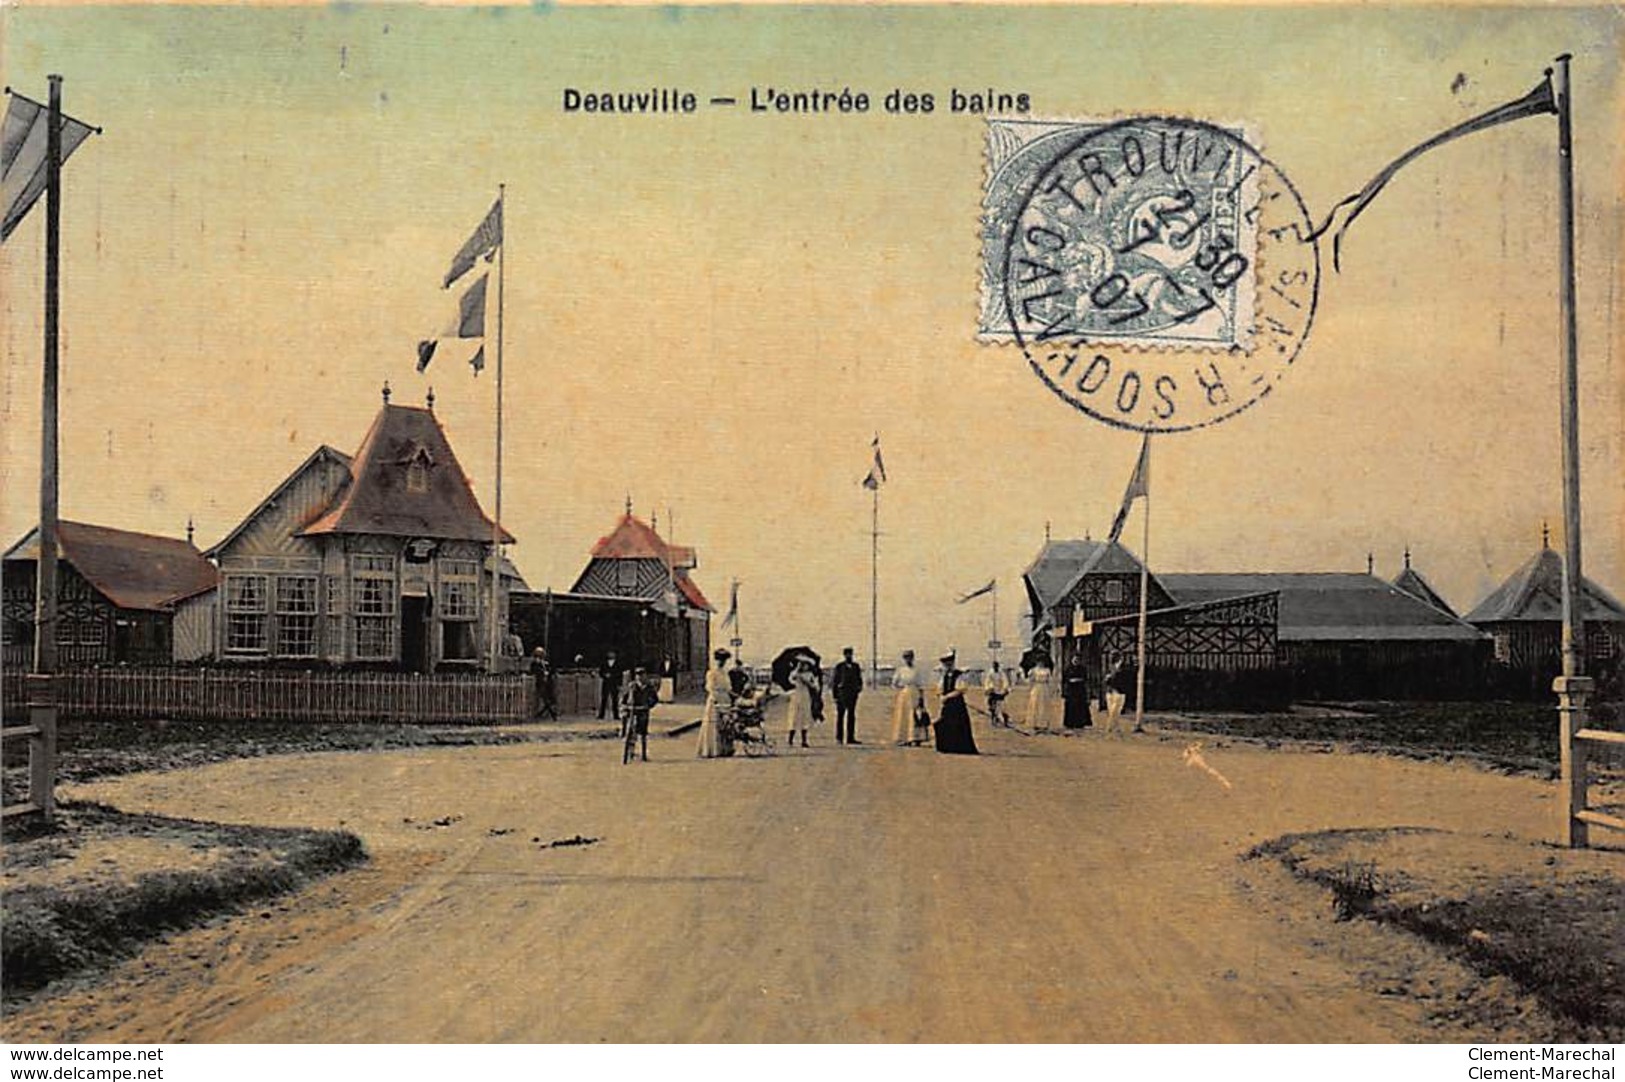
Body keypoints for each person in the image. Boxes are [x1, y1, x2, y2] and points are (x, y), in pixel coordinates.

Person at [932, 651, 979, 755]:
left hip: (957, 705)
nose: (947, 665)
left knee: (959, 725)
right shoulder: (943, 676)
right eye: (945, 664)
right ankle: (947, 747)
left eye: (949, 663)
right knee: (944, 724)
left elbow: (961, 689)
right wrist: (941, 696)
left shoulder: (959, 675)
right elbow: (939, 689)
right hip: (947, 705)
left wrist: (948, 696)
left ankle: (961, 747)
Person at [697, 648, 732, 759]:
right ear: (716, 660)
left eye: (724, 660)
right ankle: (712, 749)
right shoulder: (711, 673)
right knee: (714, 724)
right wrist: (718, 699)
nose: (721, 663)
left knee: (725, 725)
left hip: (725, 700)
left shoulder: (725, 673)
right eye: (720, 660)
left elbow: (728, 687)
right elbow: (711, 688)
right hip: (715, 700)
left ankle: (724, 749)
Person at [621, 666, 658, 763]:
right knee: (629, 729)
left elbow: (655, 699)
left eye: (642, 675)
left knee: (643, 732)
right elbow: (623, 698)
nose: (640, 678)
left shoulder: (649, 687)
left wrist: (649, 705)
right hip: (632, 711)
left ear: (645, 676)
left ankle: (644, 753)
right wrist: (624, 706)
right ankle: (629, 749)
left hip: (643, 711)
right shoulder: (631, 686)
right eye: (638, 676)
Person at [831, 646, 864, 745]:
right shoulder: (840, 667)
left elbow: (859, 679)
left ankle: (850, 738)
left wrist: (858, 688)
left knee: (851, 716)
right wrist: (835, 695)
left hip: (852, 694)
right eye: (847, 654)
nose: (849, 656)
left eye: (850, 654)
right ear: (844, 655)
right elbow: (835, 681)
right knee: (840, 716)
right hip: (841, 694)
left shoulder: (855, 666)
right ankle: (839, 738)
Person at [891, 649, 924, 746]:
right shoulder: (900, 670)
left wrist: (921, 698)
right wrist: (901, 688)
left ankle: (915, 737)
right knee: (903, 716)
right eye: (906, 658)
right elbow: (894, 683)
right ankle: (903, 738)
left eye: (910, 657)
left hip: (914, 693)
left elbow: (920, 685)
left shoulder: (917, 670)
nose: (908, 659)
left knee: (915, 715)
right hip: (904, 694)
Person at [785, 655, 816, 749]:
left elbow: (813, 685)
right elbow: (791, 680)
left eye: (806, 665)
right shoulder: (794, 673)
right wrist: (797, 671)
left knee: (805, 717)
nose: (804, 666)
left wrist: (806, 681)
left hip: (805, 696)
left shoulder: (810, 674)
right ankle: (790, 739)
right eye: (802, 664)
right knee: (793, 716)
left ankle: (804, 740)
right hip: (796, 695)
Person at [1062, 651, 1094, 729]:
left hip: (1080, 690)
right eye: (1075, 659)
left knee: (1080, 706)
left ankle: (1080, 722)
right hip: (1071, 690)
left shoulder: (1082, 669)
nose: (1076, 661)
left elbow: (1085, 679)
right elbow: (1065, 680)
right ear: (1072, 660)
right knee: (1071, 706)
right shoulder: (1068, 669)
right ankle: (1070, 723)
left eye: (1078, 659)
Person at [1027, 655, 1054, 733]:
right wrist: (1031, 688)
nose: (1040, 663)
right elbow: (1030, 680)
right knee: (1035, 704)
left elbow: (1050, 680)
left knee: (1044, 705)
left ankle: (1043, 724)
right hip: (1037, 687)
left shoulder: (1047, 670)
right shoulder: (1033, 670)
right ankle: (1035, 723)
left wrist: (1051, 690)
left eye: (1042, 662)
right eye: (1039, 662)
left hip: (1044, 688)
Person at [530, 647, 558, 720]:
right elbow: (533, 671)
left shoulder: (546, 663)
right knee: (545, 700)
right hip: (541, 684)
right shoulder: (534, 664)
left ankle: (541, 713)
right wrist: (542, 672)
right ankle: (552, 714)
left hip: (548, 683)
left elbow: (552, 670)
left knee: (552, 700)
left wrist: (548, 673)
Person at [597, 651, 624, 720]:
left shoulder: (618, 664)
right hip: (606, 683)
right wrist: (605, 675)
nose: (611, 655)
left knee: (615, 700)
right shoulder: (604, 663)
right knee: (604, 699)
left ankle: (616, 715)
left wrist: (619, 684)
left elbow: (620, 674)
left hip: (614, 684)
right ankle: (601, 715)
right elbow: (600, 672)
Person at [984, 659, 1010, 727]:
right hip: (993, 691)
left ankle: (1005, 720)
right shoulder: (990, 672)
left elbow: (1005, 680)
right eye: (994, 666)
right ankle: (993, 720)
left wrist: (1005, 688)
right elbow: (987, 681)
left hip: (1000, 691)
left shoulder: (1001, 673)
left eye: (996, 666)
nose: (995, 668)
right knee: (992, 706)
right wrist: (988, 688)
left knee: (1002, 706)